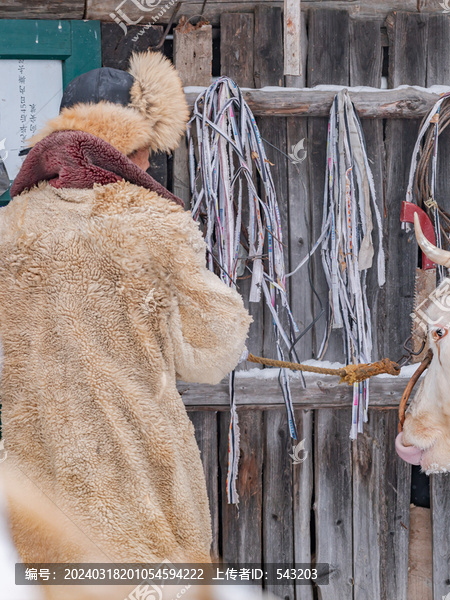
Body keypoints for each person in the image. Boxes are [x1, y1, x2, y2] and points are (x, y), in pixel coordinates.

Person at [0, 52, 251, 564]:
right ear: (132, 145)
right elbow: (212, 351)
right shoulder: (156, 225)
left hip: (37, 483)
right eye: (147, 152)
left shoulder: (10, 227)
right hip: (137, 473)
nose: (149, 165)